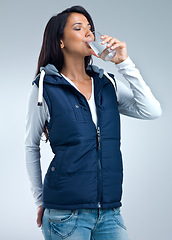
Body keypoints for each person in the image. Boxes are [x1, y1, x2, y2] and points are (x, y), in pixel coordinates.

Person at [25, 5, 162, 240]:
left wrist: (124, 62)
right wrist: (40, 200)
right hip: (64, 214)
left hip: (110, 213)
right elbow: (30, 145)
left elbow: (151, 111)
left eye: (90, 28)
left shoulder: (107, 84)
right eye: (78, 28)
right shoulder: (45, 88)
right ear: (61, 42)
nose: (89, 33)